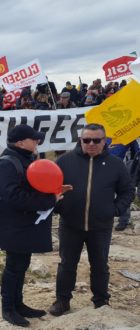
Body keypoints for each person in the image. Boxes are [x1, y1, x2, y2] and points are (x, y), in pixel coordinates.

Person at [49, 123, 134, 316]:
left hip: (101, 225)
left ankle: (101, 301)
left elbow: (127, 190)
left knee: (100, 264)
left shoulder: (116, 164)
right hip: (71, 224)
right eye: (87, 140)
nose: (92, 144)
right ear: (81, 140)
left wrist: (116, 209)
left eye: (97, 140)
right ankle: (62, 301)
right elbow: (50, 189)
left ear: (104, 141)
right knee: (67, 264)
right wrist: (59, 207)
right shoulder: (64, 161)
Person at [0, 124, 67, 327]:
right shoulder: (6, 164)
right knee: (13, 267)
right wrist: (50, 199)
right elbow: (14, 197)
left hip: (25, 224)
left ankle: (18, 304)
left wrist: (54, 191)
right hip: (13, 225)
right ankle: (8, 308)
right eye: (34, 139)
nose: (37, 142)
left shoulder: (23, 159)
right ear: (20, 142)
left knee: (21, 265)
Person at [108, 140, 140, 231]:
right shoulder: (101, 135)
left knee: (123, 193)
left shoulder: (127, 135)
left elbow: (136, 152)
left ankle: (124, 220)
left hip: (121, 167)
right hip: (104, 165)